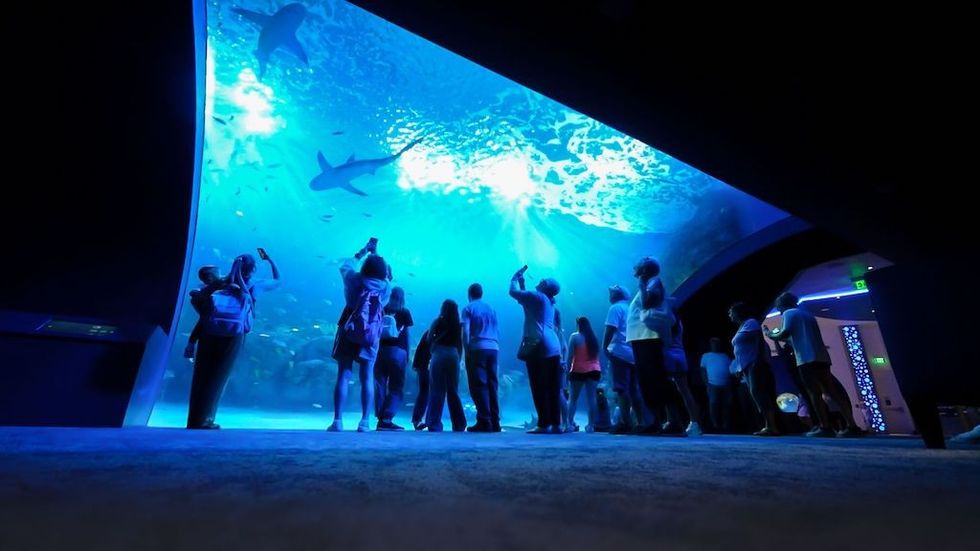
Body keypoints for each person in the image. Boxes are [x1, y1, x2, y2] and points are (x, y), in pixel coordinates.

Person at [186, 250, 281, 429]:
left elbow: (200, 304)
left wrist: (191, 341)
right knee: (218, 376)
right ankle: (206, 420)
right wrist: (270, 260)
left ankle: (194, 420)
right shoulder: (254, 284)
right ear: (253, 268)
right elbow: (277, 281)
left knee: (202, 375)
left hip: (208, 332)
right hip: (233, 334)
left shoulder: (219, 283)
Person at [765, 292, 864, 437]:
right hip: (822, 357)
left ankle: (825, 426)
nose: (779, 310)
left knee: (814, 393)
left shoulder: (789, 314)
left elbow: (784, 334)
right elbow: (795, 339)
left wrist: (769, 334)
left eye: (778, 307)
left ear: (781, 305)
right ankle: (852, 425)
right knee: (832, 392)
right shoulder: (807, 315)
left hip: (806, 359)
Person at [328, 239, 391, 433]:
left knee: (343, 375)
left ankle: (338, 421)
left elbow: (346, 264)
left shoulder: (353, 279)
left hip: (349, 325)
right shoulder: (385, 287)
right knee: (367, 377)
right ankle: (364, 422)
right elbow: (385, 273)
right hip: (371, 332)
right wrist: (376, 254)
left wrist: (363, 252)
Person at [625, 257, 680, 435]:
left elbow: (648, 302)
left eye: (639, 265)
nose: (635, 267)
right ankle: (657, 420)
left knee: (655, 379)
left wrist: (642, 284)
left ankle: (671, 421)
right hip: (641, 338)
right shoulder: (649, 283)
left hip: (648, 337)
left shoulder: (653, 282)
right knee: (647, 381)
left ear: (645, 270)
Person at [509, 267, 563, 434]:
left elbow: (513, 293)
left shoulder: (538, 296)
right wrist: (523, 284)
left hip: (539, 345)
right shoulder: (548, 301)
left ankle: (543, 424)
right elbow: (526, 303)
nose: (539, 280)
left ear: (545, 286)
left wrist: (514, 278)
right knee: (553, 388)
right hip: (554, 346)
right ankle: (556, 424)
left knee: (538, 386)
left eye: (543, 280)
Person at [604, 285, 650, 434]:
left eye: (611, 292)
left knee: (621, 389)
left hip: (620, 353)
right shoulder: (631, 307)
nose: (609, 294)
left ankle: (626, 423)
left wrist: (605, 347)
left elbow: (610, 328)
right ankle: (641, 422)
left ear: (617, 294)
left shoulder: (615, 308)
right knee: (634, 389)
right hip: (633, 353)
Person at [729, 302, 780, 436]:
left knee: (759, 393)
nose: (730, 315)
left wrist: (758, 360)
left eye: (731, 312)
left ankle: (771, 426)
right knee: (756, 395)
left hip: (754, 364)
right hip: (746, 366)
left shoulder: (751, 322)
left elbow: (759, 341)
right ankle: (767, 425)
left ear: (738, 312)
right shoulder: (742, 326)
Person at [461, 283, 501, 432]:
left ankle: (485, 421)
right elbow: (497, 329)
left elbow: (465, 331)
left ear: (469, 294)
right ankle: (495, 422)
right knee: (493, 385)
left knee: (479, 385)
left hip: (478, 348)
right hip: (494, 348)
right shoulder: (491, 308)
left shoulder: (468, 308)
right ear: (481, 294)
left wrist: (466, 350)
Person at [374, 286, 413, 430]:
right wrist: (408, 354)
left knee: (380, 384)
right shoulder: (404, 311)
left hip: (380, 351)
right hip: (398, 352)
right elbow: (407, 335)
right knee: (396, 386)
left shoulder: (381, 308)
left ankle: (380, 418)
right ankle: (387, 417)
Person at [425, 299, 467, 431]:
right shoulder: (458, 324)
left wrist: (433, 349)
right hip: (453, 355)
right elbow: (460, 344)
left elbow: (429, 338)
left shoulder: (437, 321)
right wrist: (459, 359)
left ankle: (434, 423)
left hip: (439, 353)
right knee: (453, 390)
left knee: (437, 389)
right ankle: (459, 424)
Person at [664, 315, 702, 436]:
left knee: (667, 390)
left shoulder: (665, 320)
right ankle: (695, 423)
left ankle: (671, 420)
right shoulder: (678, 322)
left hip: (668, 356)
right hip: (680, 355)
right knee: (685, 391)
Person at [567, 317, 602, 432]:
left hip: (578, 370)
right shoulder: (593, 338)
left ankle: (569, 423)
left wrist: (568, 371)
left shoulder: (575, 337)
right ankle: (591, 426)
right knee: (592, 398)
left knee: (573, 399)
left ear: (578, 325)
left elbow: (570, 356)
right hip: (594, 370)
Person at [184, 265, 221, 359]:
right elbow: (193, 293)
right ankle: (191, 343)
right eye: (217, 272)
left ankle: (191, 344)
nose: (220, 274)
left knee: (204, 317)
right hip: (210, 314)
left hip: (211, 314)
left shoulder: (222, 283)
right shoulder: (204, 287)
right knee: (204, 316)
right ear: (210, 277)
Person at [700, 338, 735, 433]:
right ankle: (715, 425)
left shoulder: (725, 356)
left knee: (727, 405)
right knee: (713, 404)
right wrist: (707, 384)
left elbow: (731, 370)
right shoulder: (706, 356)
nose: (715, 344)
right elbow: (703, 371)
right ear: (710, 344)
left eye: (717, 343)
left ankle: (725, 426)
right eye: (713, 343)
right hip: (712, 384)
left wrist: (730, 384)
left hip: (726, 385)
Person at [410, 329, 433, 431]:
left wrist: (416, 364)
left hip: (423, 364)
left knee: (424, 392)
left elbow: (420, 347)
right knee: (427, 392)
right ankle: (424, 420)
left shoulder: (430, 330)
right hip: (428, 364)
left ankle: (418, 420)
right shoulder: (446, 331)